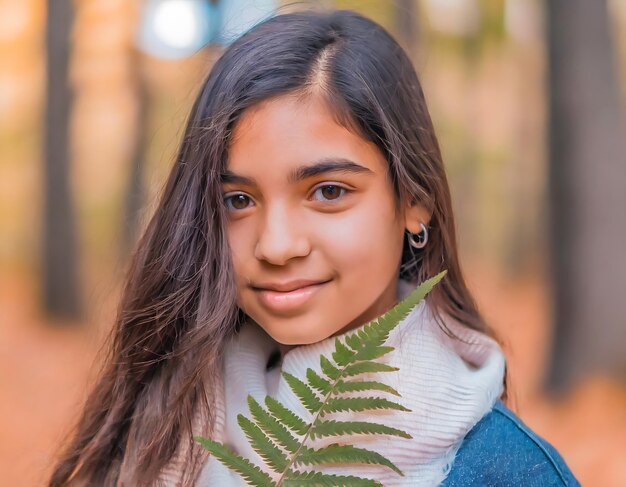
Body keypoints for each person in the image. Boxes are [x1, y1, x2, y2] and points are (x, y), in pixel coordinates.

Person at [48, 8, 580, 486]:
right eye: (237, 199)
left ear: (414, 202)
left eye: (328, 192)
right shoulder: (156, 426)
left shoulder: (509, 472)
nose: (276, 246)